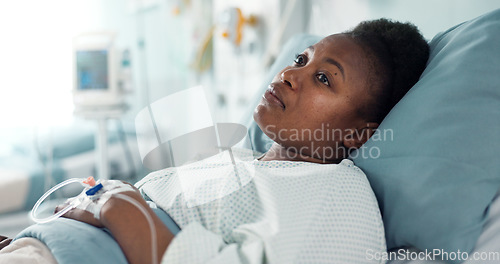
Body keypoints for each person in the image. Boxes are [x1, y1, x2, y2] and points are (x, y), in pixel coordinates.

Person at [0, 18, 429, 264]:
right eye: (301, 58)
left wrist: (116, 205)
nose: (289, 74)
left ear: (356, 133)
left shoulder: (337, 194)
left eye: (322, 78)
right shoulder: (239, 160)